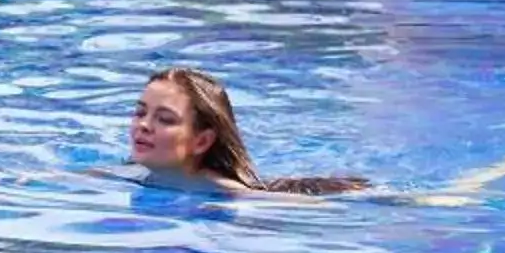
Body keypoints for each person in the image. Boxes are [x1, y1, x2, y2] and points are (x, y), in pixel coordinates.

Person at [129, 65, 374, 196]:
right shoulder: (126, 175)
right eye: (140, 113)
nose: (144, 125)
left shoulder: (231, 196)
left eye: (165, 119)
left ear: (202, 141)